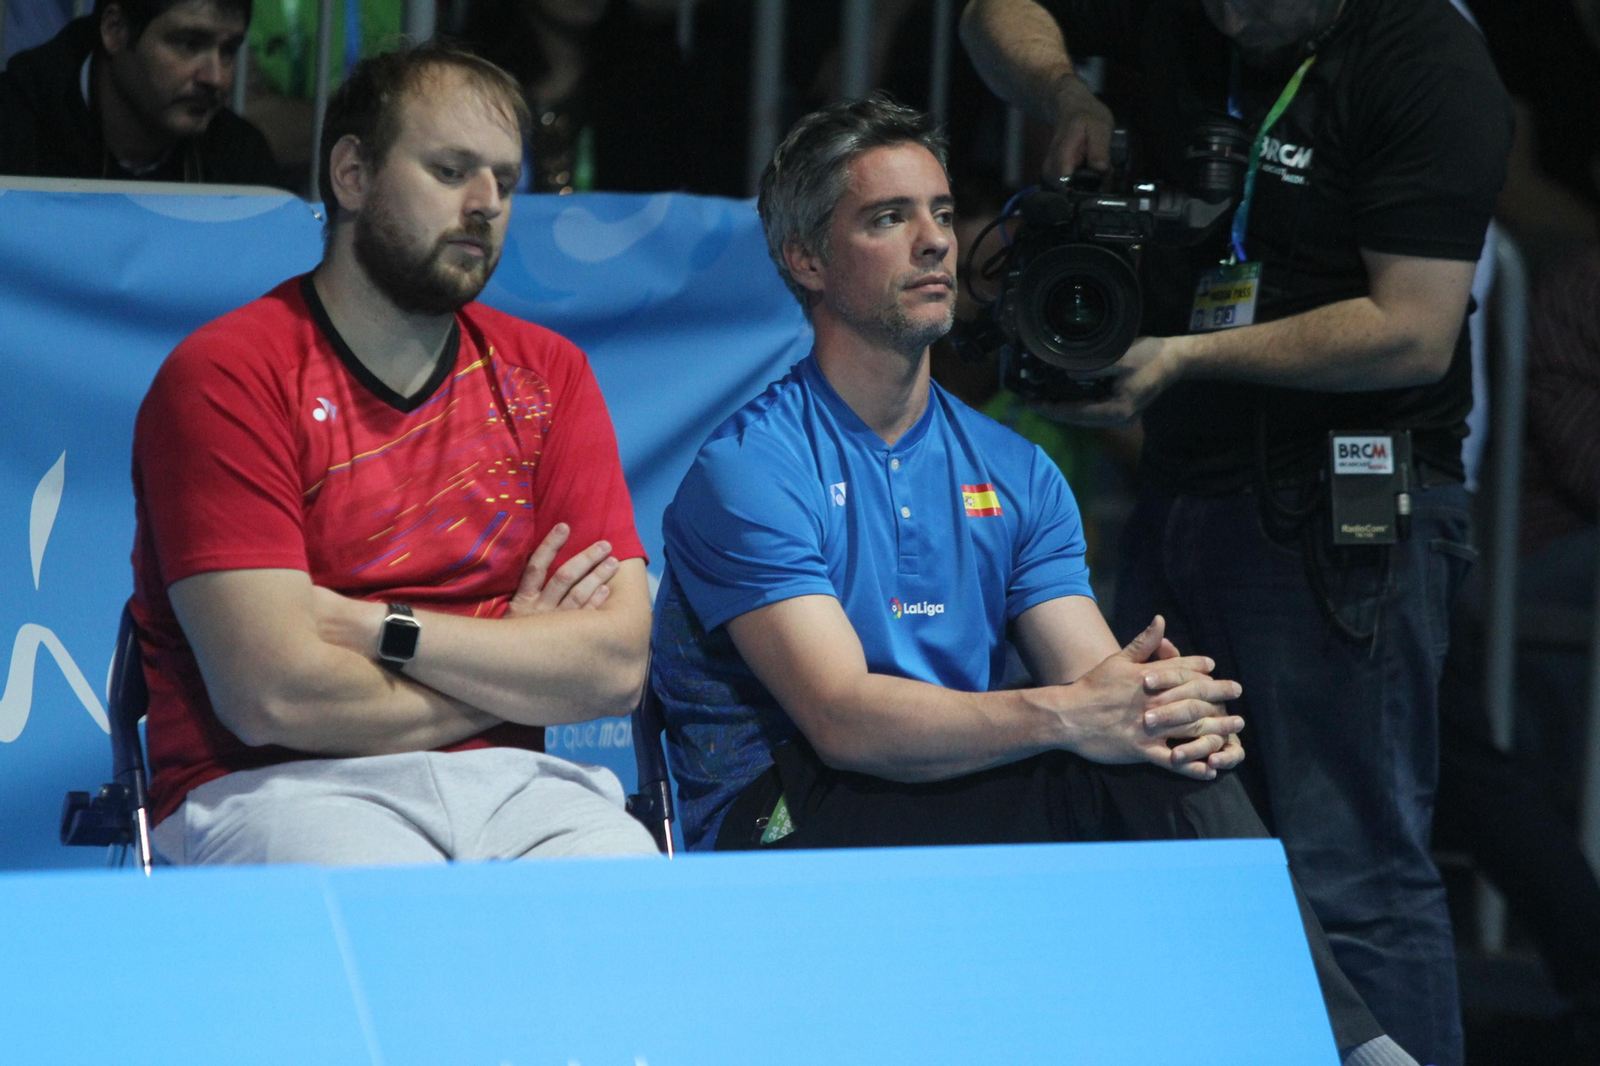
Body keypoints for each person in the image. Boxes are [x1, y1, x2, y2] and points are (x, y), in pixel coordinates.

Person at [652, 96, 1417, 1066]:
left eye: (938, 211)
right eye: (887, 219)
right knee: (1109, 758)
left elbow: (1098, 682)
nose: (934, 241)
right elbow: (841, 717)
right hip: (778, 815)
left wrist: (1161, 705)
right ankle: (1355, 1049)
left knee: (1157, 750)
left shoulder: (1012, 471)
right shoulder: (751, 466)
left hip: (943, 787)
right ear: (806, 258)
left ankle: (1327, 1046)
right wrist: (1073, 715)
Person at [959, 2, 1512, 1063]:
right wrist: (1064, 90)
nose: (1228, 13)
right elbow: (993, 12)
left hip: (1343, 518)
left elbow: (1413, 328)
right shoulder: (1183, 15)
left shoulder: (1426, 60)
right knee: (1182, 837)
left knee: (1347, 865)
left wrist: (1180, 359)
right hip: (1186, 491)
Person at [131, 41, 659, 865]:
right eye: (451, 171)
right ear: (351, 175)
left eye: (505, 182)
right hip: (279, 786)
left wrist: (375, 627)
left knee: (630, 906)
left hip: (525, 786)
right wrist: (512, 659)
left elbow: (617, 667)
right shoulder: (228, 374)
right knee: (396, 924)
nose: (486, 204)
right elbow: (272, 695)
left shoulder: (548, 374)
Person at [0, 0, 278, 184]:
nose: (216, 78)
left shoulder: (240, 160)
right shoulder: (13, 128)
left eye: (228, 50)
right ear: (115, 30)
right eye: (190, 44)